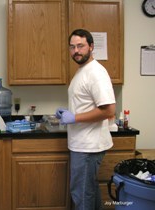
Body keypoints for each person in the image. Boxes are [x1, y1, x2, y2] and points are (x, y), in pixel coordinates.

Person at [56, 29, 116, 210]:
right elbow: (87, 103)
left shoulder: (96, 72)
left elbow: (109, 110)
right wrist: (70, 112)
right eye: (72, 47)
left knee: (81, 194)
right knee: (88, 192)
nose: (76, 51)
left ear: (91, 46)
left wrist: (74, 117)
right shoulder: (82, 71)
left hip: (88, 146)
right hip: (82, 143)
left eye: (80, 46)